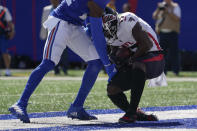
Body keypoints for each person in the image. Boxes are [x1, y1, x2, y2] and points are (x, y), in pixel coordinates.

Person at [9, 0, 116, 123]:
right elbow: (97, 37)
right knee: (48, 62)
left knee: (96, 62)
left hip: (76, 25)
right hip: (61, 21)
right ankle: (20, 103)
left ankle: (76, 107)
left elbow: (89, 18)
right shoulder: (99, 2)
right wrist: (109, 67)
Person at [102, 7, 164, 123]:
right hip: (135, 60)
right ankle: (136, 113)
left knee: (137, 63)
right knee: (112, 89)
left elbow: (147, 44)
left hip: (154, 57)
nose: (106, 28)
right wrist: (116, 58)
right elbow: (115, 51)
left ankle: (131, 114)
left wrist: (130, 58)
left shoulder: (127, 20)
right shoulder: (105, 33)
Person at [152, 0, 181, 76]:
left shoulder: (175, 6)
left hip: (172, 33)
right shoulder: (162, 6)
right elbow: (154, 16)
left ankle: (176, 71)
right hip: (162, 33)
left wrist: (168, 11)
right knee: (162, 53)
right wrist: (159, 9)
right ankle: (162, 71)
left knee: (174, 53)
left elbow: (177, 18)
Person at [40, 0, 68, 75]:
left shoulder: (64, 7)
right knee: (52, 53)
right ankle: (56, 70)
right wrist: (43, 34)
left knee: (64, 53)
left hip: (63, 34)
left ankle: (65, 69)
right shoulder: (46, 9)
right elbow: (43, 21)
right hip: (51, 34)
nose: (53, 1)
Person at [0, 5, 15, 76]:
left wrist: (12, 31)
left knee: (4, 52)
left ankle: (8, 70)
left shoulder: (4, 10)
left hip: (2, 34)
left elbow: (9, 22)